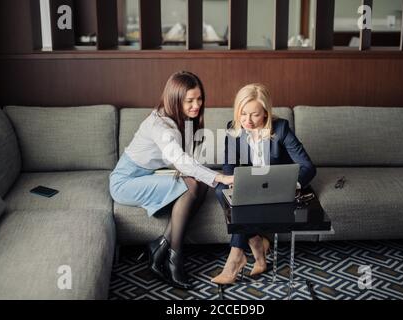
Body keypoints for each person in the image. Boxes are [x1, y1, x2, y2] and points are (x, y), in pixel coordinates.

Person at [109, 71, 234, 290]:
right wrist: (221, 177)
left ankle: (161, 245)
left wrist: (206, 176)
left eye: (199, 99)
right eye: (189, 101)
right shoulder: (161, 126)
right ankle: (174, 259)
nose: (196, 105)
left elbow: (184, 161)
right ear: (175, 99)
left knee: (200, 182)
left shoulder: (181, 119)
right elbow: (181, 161)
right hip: (125, 182)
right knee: (195, 182)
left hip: (149, 175)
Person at [211, 83, 316, 285]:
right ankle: (257, 242)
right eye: (243, 113)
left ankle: (235, 258)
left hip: (274, 186)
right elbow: (228, 165)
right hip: (249, 184)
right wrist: (233, 181)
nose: (247, 121)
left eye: (254, 115)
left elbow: (308, 166)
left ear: (266, 113)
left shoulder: (281, 129)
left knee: (241, 202)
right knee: (220, 189)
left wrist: (292, 184)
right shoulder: (233, 129)